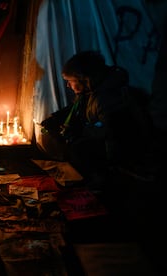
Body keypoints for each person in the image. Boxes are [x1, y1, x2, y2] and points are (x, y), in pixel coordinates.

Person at [41, 50, 152, 185]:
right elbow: (76, 108)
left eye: (70, 81)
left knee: (78, 149)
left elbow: (114, 132)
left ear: (83, 78)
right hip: (103, 149)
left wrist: (80, 131)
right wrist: (56, 117)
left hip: (117, 157)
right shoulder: (90, 90)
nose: (68, 85)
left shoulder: (108, 97)